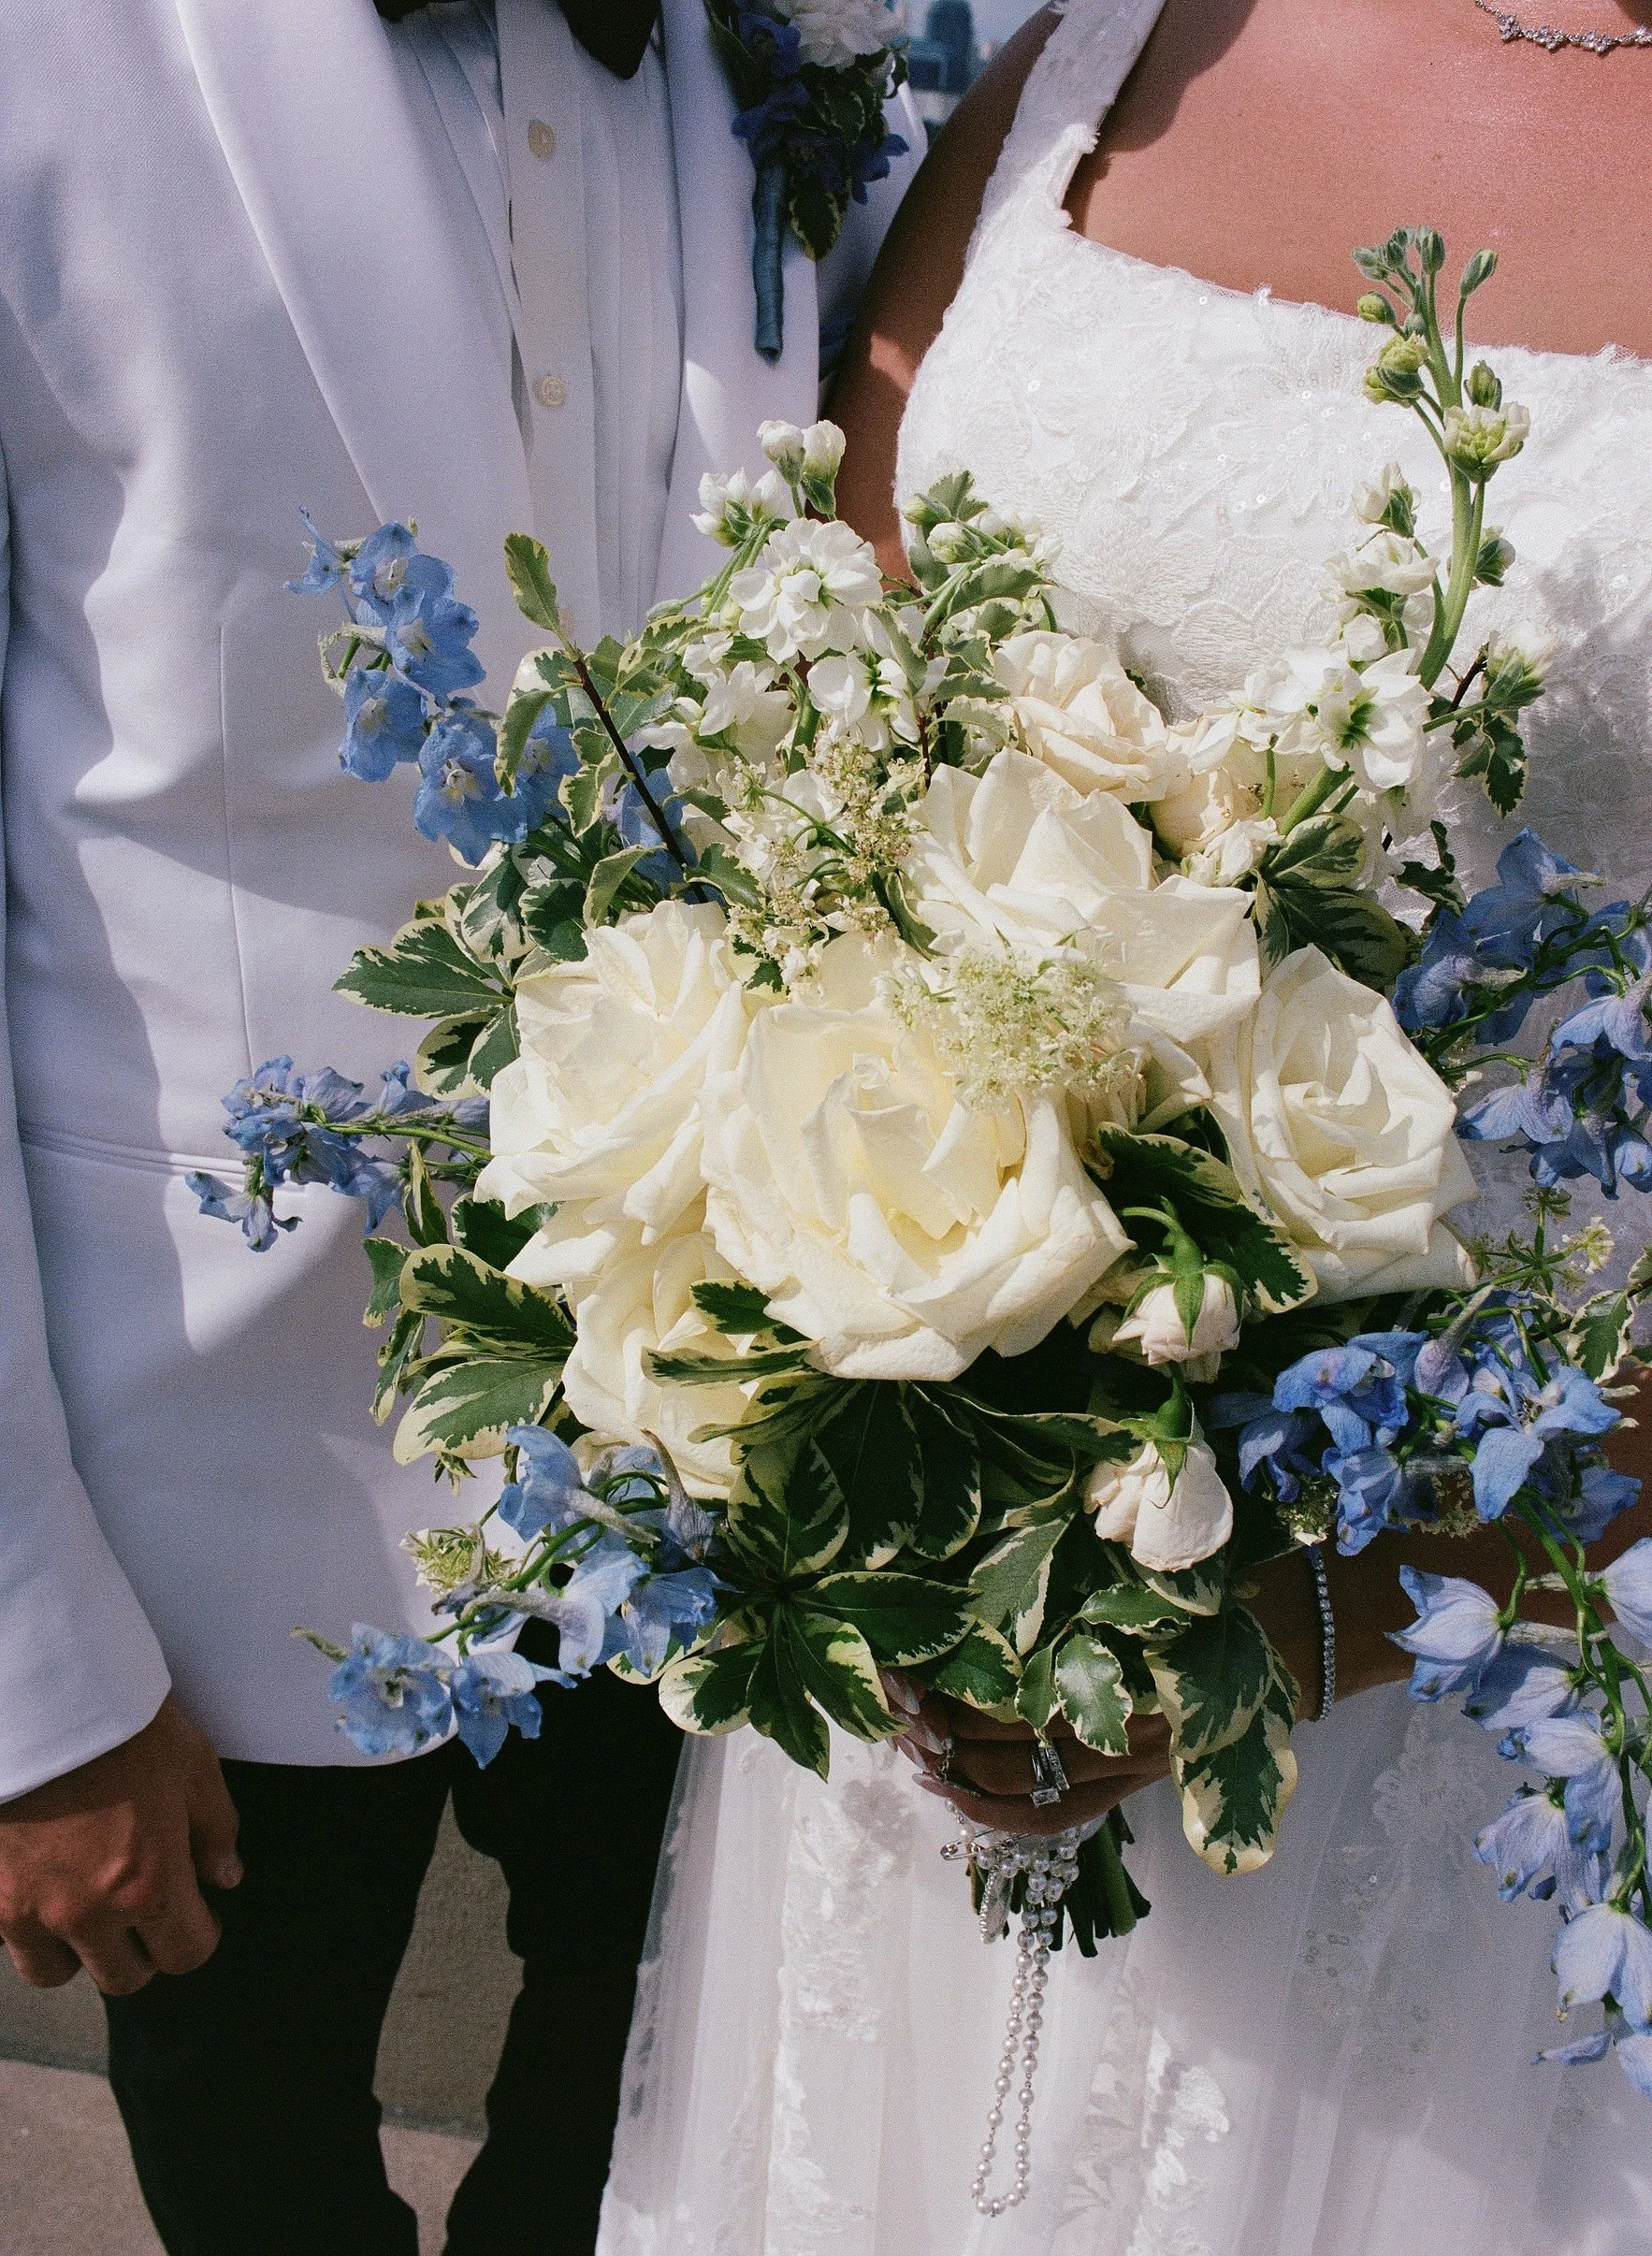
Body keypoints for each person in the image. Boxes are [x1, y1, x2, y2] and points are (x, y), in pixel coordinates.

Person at [597, 4, 1652, 2249]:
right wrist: (838, 1439)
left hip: (1522, 1669)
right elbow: (827, 751)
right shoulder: (1113, 37)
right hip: (955, 1632)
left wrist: (1331, 1611)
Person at [0, 5, 917, 2252]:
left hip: (740, 1439)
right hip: (211, 1512)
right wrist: (27, 1678)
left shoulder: (787, 54)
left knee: (663, 2169)